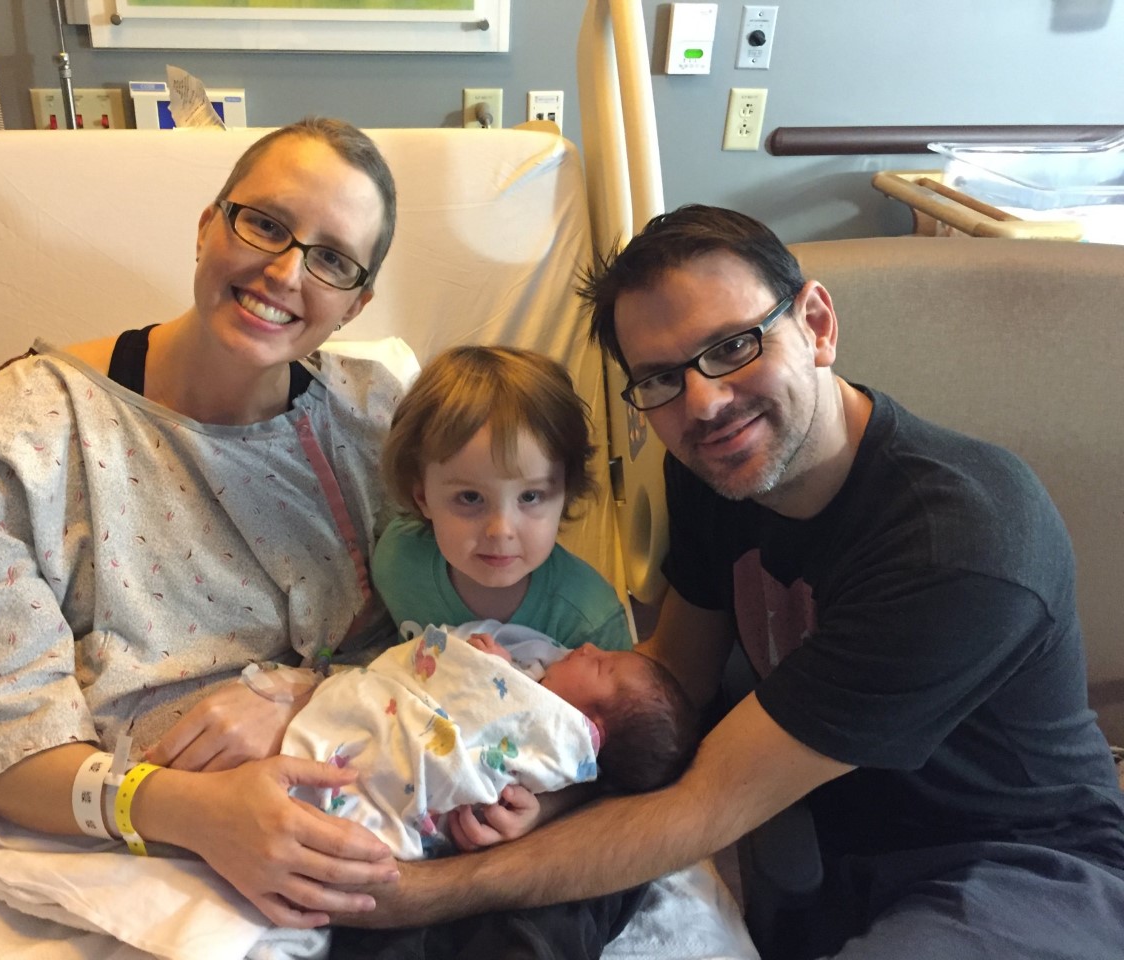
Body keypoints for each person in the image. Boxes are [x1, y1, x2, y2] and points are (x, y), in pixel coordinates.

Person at [336, 204, 1124, 959]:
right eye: (661, 378)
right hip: (817, 829)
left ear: (816, 324)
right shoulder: (718, 472)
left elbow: (703, 804)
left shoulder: (954, 542)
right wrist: (551, 792)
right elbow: (676, 675)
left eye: (733, 346)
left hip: (1015, 869)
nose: (705, 402)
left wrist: (412, 891)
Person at [0, 116, 409, 929]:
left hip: (349, 790)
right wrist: (198, 814)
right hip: (103, 825)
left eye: (331, 258)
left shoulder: (377, 426)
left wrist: (299, 694)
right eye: (265, 224)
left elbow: (458, 626)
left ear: (355, 303)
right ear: (207, 225)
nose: (286, 272)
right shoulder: (25, 427)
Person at [257, 619, 698, 859]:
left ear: (590, 729)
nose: (587, 648)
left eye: (601, 667)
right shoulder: (540, 656)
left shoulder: (554, 737)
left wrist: (495, 672)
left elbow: (492, 716)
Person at [372, 344, 631, 652]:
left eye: (531, 496)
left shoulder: (590, 623)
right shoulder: (398, 559)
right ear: (422, 497)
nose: (501, 530)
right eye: (470, 497)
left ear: (565, 492)